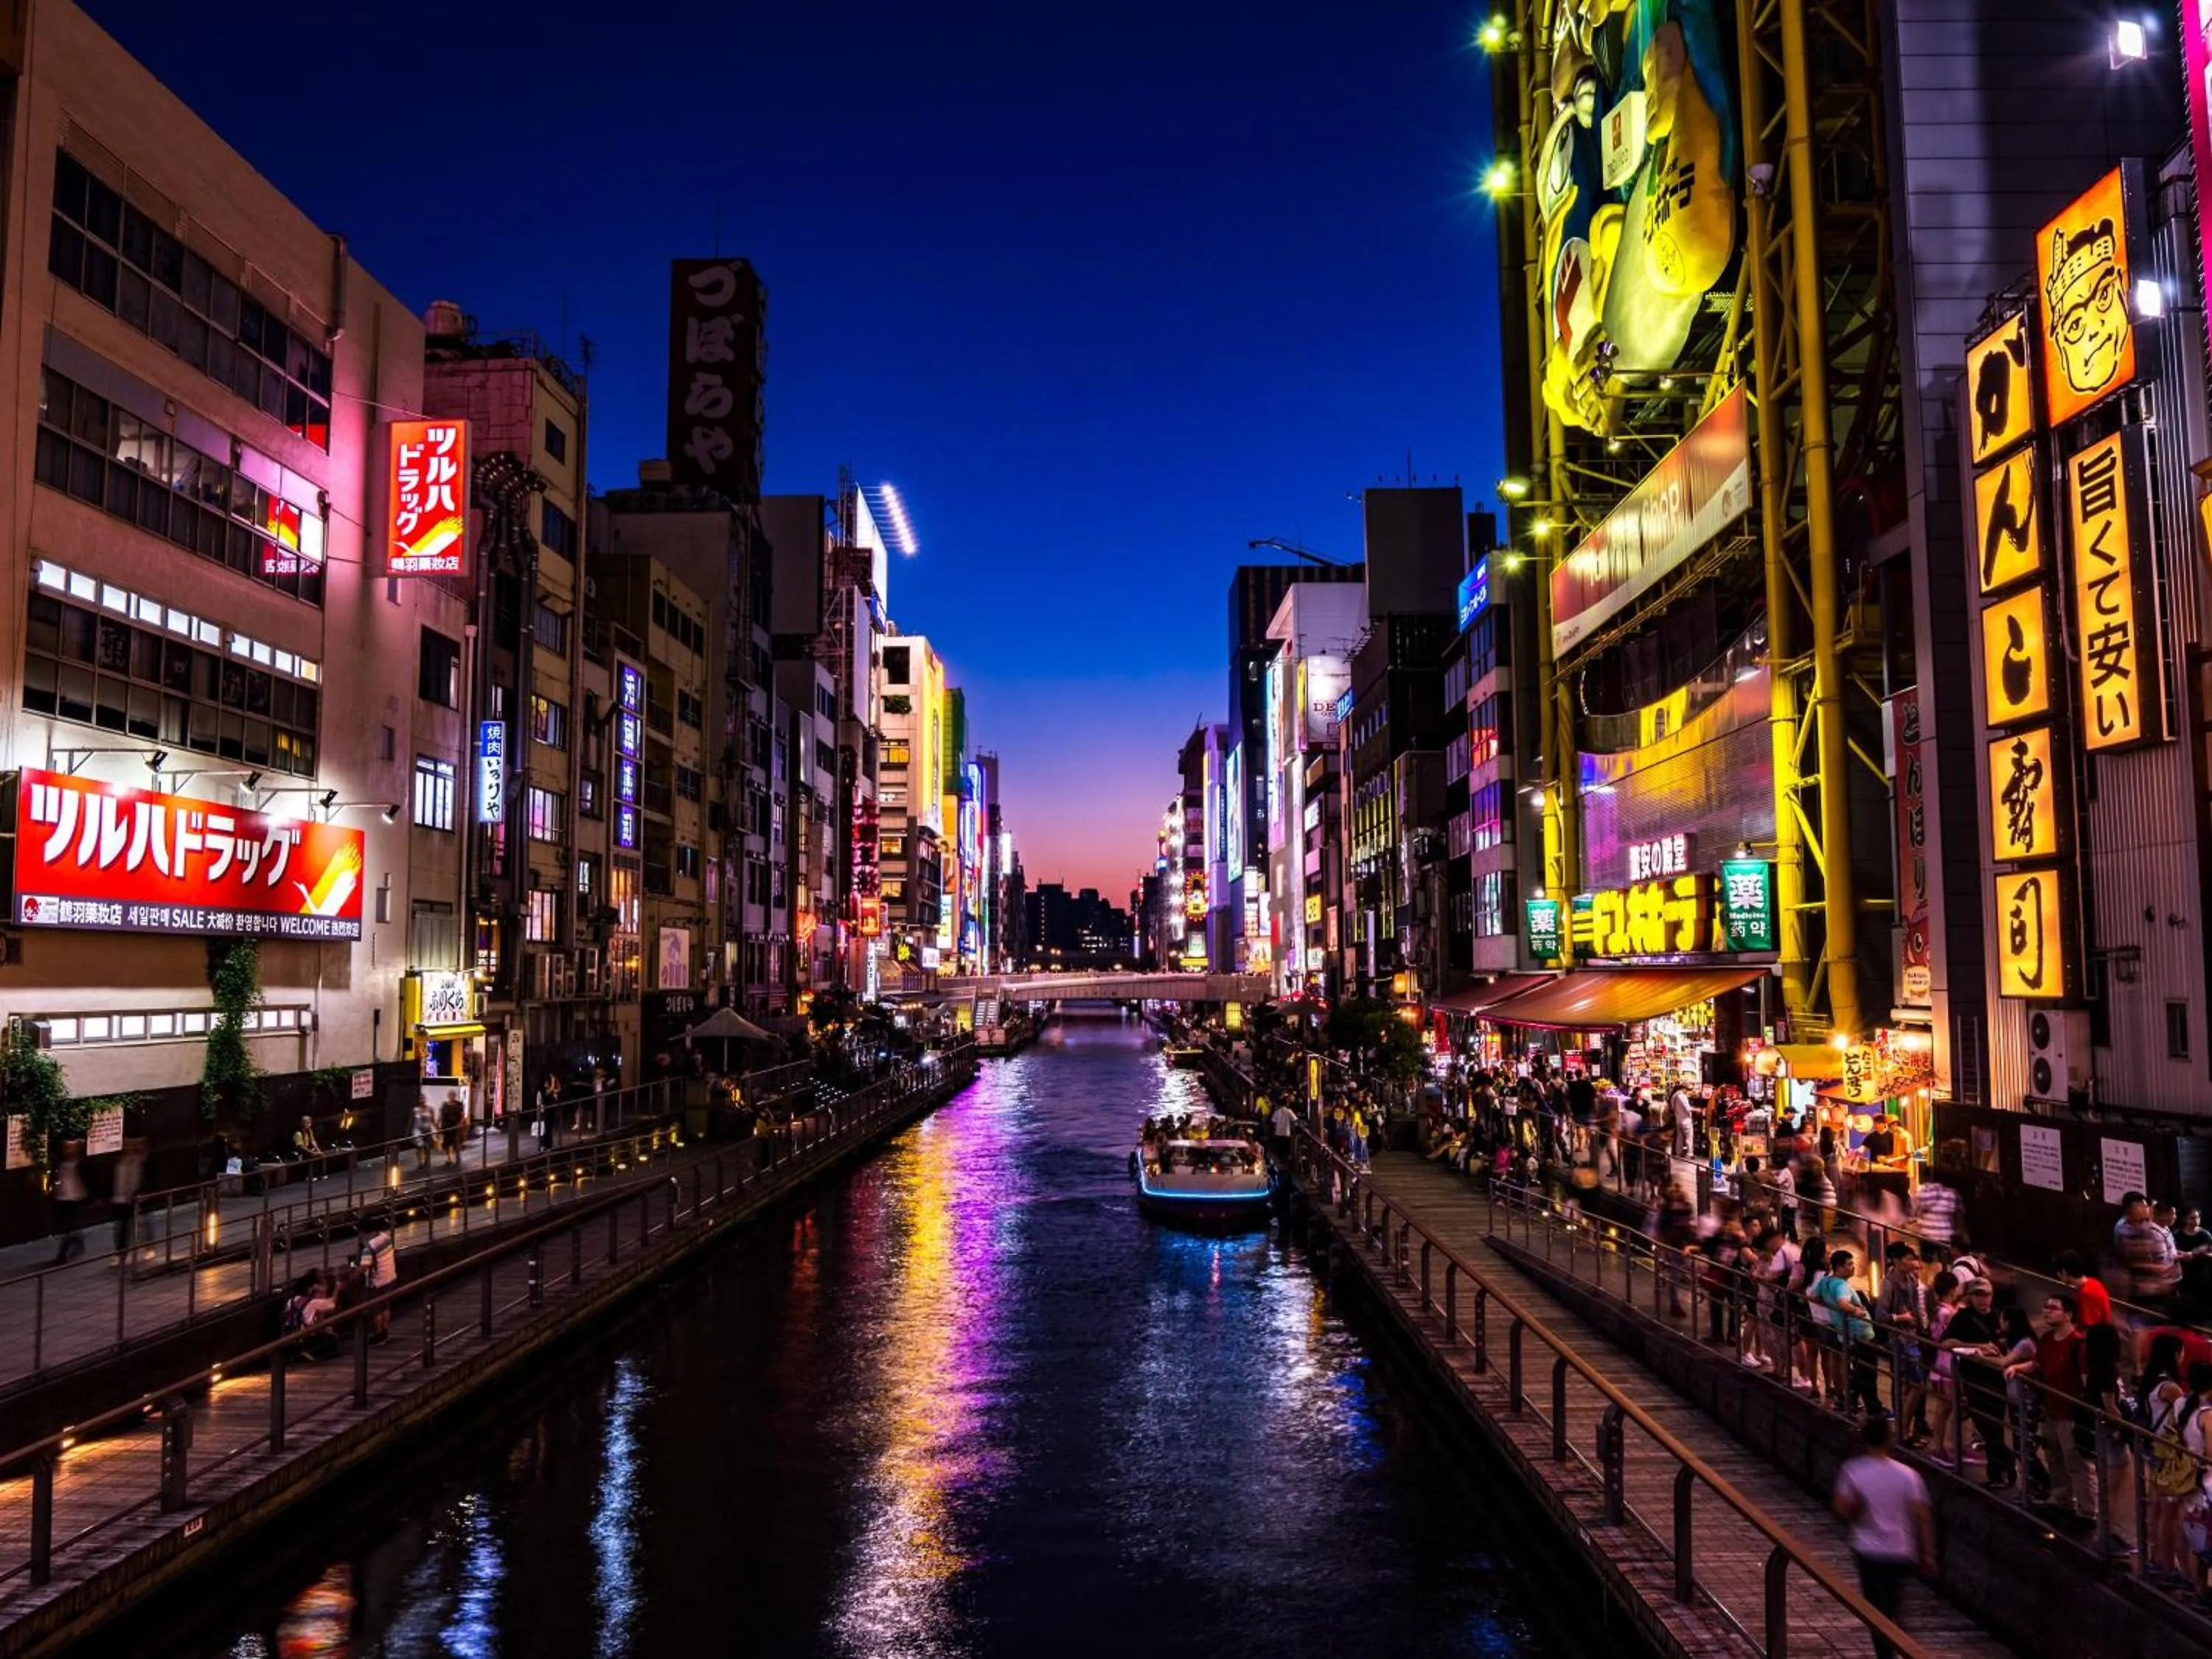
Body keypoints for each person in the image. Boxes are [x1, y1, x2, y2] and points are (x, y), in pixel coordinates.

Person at [1832, 1414, 1935, 1659]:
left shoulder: (1854, 1470)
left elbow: (1841, 1508)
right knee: (1894, 1603)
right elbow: (1923, 1515)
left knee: (1876, 1611)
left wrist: (1858, 1511)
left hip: (1868, 1549)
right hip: (1901, 1549)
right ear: (1889, 1441)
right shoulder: (1909, 1475)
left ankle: (1886, 1653)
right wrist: (1929, 1553)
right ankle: (1899, 1643)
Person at [2019, 1293, 2088, 1517]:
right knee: (2054, 1457)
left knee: (2076, 1463)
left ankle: (2088, 1510)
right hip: (2050, 1410)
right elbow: (2036, 1364)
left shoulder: (2078, 1345)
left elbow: (2086, 1380)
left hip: (2070, 1414)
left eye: (2053, 1308)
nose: (2047, 1311)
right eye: (2046, 1307)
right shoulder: (2048, 1339)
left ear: (2068, 1315)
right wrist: (2016, 1368)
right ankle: (2062, 1499)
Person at [1941, 1280, 2015, 1487]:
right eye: (1979, 1295)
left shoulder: (1999, 1316)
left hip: (1998, 1380)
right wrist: (1977, 1346)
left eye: (1988, 1295)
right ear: (1971, 1297)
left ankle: (1997, 1474)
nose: (1984, 1299)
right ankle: (2007, 1464)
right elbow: (1947, 1343)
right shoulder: (1963, 1318)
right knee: (1986, 1425)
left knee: (1996, 1427)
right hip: (1974, 1380)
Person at [1816, 1249, 1885, 1418]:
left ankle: (1850, 1402)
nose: (1853, 1268)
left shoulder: (1825, 1282)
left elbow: (1814, 1296)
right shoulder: (1841, 1285)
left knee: (1861, 1371)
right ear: (1839, 1267)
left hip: (1845, 1332)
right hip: (1860, 1333)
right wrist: (1856, 1311)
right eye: (1849, 1264)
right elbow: (1843, 1303)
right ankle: (1872, 1409)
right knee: (1867, 1373)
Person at [1877, 1242, 1930, 1444]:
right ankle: (1903, 1431)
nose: (1913, 1262)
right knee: (1916, 1385)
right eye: (1908, 1259)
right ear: (1897, 1261)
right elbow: (1880, 1315)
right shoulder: (1889, 1283)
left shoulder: (1910, 1279)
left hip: (1913, 1337)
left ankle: (1904, 1429)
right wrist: (1901, 1318)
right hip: (1900, 1339)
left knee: (1910, 1386)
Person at [50, 1141, 88, 1263]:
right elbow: (56, 1179)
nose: (69, 1151)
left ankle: (61, 1255)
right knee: (68, 1227)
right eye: (66, 1148)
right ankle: (78, 1242)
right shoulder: (60, 1164)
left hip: (76, 1198)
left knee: (69, 1227)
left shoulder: (82, 1163)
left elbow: (90, 1179)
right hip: (63, 1199)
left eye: (72, 1148)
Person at [111, 1136, 146, 1260]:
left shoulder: (136, 1161)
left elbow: (135, 1180)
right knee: (119, 1225)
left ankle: (123, 1251)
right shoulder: (119, 1160)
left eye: (131, 1145)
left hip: (129, 1199)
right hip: (118, 1198)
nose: (128, 1148)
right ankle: (121, 1250)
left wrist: (133, 1194)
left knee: (126, 1225)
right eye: (126, 1145)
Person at [438, 1091, 465, 1167]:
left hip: (455, 1125)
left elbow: (462, 1115)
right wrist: (438, 1123)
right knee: (447, 1143)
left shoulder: (459, 1105)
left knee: (456, 1142)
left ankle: (457, 1158)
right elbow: (441, 1115)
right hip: (446, 1125)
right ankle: (449, 1159)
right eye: (450, 1095)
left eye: (453, 1095)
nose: (452, 1096)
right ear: (448, 1096)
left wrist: (460, 1123)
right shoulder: (445, 1105)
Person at [411, 1099, 436, 1172]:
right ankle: (420, 1163)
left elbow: (433, 1120)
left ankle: (426, 1161)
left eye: (423, 1098)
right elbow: (411, 1121)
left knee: (427, 1147)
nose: (422, 1100)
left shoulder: (430, 1109)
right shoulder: (415, 1110)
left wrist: (437, 1129)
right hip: (418, 1131)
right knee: (419, 1147)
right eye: (420, 1098)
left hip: (427, 1130)